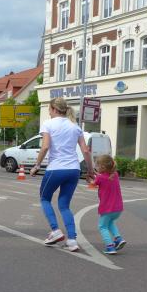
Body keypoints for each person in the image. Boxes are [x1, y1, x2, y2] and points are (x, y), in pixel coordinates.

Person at [30, 97, 94, 252]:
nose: (49, 113)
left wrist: (36, 166)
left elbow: (45, 147)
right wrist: (90, 171)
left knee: (45, 198)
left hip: (56, 168)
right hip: (74, 170)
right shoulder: (75, 127)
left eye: (49, 110)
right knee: (64, 205)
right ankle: (72, 240)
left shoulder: (48, 124)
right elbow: (86, 151)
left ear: (54, 109)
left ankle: (55, 231)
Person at [93, 154, 126, 255]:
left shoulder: (100, 178)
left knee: (102, 226)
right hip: (118, 208)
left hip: (107, 208)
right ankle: (118, 239)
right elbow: (105, 178)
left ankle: (110, 246)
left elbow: (92, 185)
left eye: (97, 165)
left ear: (102, 167)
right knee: (110, 223)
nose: (96, 167)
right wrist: (97, 175)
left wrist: (90, 180)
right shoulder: (115, 174)